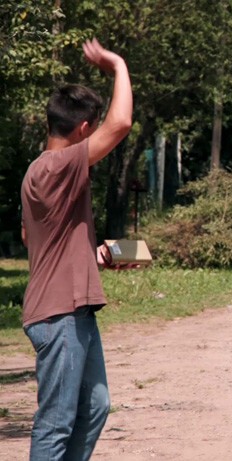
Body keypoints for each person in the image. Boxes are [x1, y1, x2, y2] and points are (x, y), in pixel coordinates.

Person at [20, 38, 132, 461]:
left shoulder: (41, 172)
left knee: (95, 407)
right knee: (55, 424)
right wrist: (117, 63)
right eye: (94, 127)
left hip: (73, 310)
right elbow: (121, 124)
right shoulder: (57, 165)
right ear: (84, 129)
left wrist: (94, 256)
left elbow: (36, 240)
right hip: (58, 315)